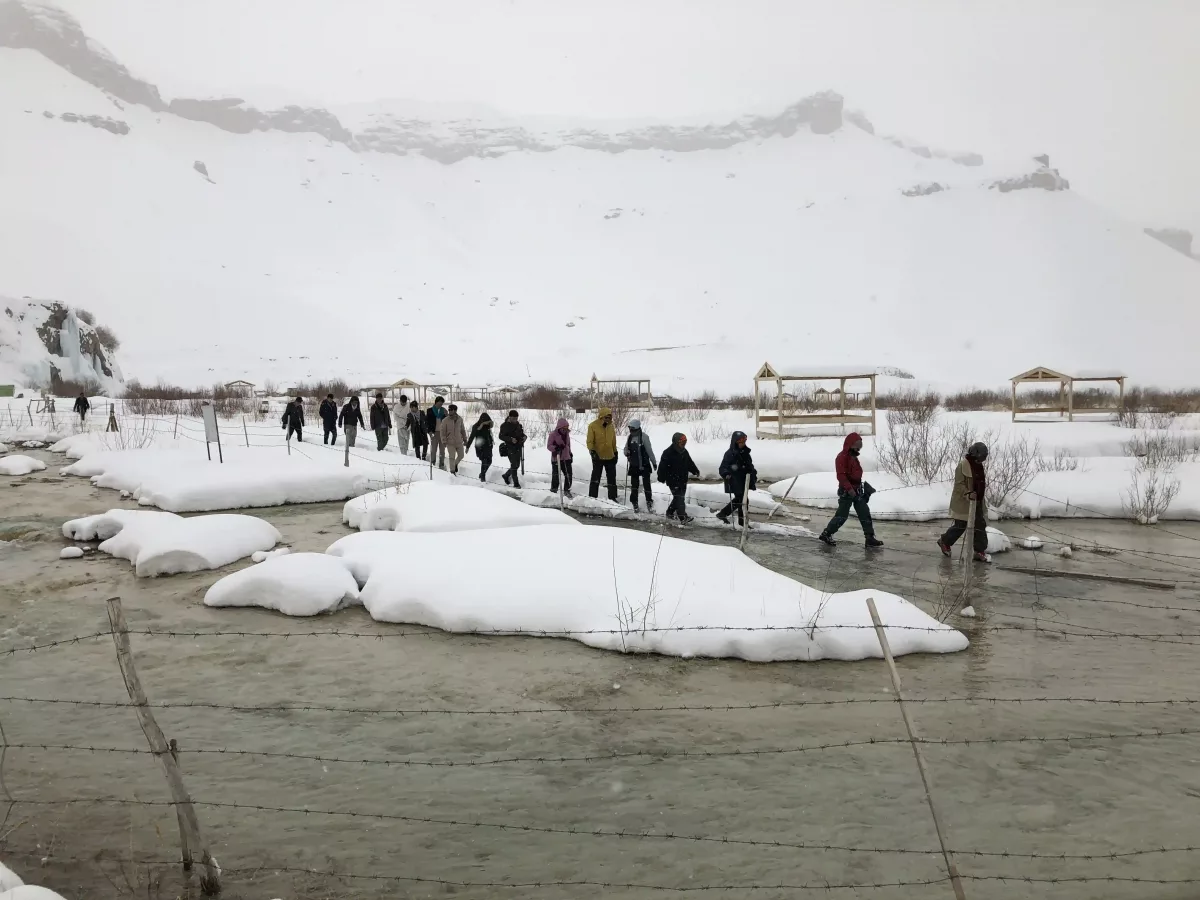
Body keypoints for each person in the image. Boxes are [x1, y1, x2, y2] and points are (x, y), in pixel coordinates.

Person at [818, 433, 883, 548]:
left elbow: (856, 474)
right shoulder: (841, 457)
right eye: (856, 446)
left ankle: (869, 538)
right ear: (850, 445)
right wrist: (850, 490)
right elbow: (841, 476)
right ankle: (826, 534)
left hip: (857, 490)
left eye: (860, 447)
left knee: (864, 512)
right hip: (846, 491)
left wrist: (863, 488)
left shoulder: (854, 458)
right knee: (842, 515)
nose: (858, 449)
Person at [939, 442, 991, 562]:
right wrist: (968, 493)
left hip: (977, 501)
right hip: (963, 501)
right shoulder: (963, 465)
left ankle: (979, 551)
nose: (983, 459)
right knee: (960, 526)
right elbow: (959, 484)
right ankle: (944, 541)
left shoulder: (979, 465)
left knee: (980, 526)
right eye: (982, 456)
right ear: (975, 454)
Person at [716, 431, 758, 525]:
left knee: (742, 500)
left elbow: (749, 465)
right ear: (735, 442)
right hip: (734, 480)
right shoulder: (730, 453)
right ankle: (741, 522)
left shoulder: (745, 452)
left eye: (744, 442)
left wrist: (753, 473)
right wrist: (726, 474)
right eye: (740, 442)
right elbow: (722, 467)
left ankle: (726, 515)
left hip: (744, 480)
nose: (743, 444)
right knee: (742, 500)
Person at [657, 432, 699, 523]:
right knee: (679, 498)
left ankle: (670, 512)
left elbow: (689, 463)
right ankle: (683, 517)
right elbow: (662, 467)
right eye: (682, 442)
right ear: (676, 442)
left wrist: (695, 470)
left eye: (685, 442)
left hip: (683, 479)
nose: (684, 444)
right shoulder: (668, 452)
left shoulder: (684, 451)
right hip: (672, 480)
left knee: (679, 498)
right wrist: (661, 477)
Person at [623, 419, 657, 512]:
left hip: (644, 465)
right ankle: (634, 503)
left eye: (632, 428)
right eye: (630, 428)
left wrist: (653, 462)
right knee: (634, 485)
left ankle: (649, 502)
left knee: (647, 485)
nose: (631, 430)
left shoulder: (644, 437)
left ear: (637, 428)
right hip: (634, 465)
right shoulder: (630, 437)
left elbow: (649, 451)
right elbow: (625, 448)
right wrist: (627, 452)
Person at [586, 407, 619, 501]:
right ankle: (592, 497)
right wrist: (592, 451)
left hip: (610, 456)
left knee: (612, 478)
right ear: (601, 417)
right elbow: (589, 441)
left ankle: (612, 497)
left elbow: (613, 441)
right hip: (598, 456)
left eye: (609, 417)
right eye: (606, 417)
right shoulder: (592, 426)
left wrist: (615, 452)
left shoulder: (611, 426)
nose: (607, 419)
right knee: (596, 478)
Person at [498, 409, 526, 488]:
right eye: (513, 419)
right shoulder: (504, 426)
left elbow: (521, 433)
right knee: (514, 465)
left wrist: (524, 437)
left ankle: (506, 475)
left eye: (516, 418)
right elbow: (501, 436)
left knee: (517, 465)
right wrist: (510, 439)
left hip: (518, 447)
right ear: (509, 417)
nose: (515, 420)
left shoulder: (518, 425)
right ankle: (516, 483)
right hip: (510, 448)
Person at [438, 403, 468, 474]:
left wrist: (465, 439)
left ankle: (455, 464)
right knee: (452, 457)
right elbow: (442, 432)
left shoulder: (460, 419)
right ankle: (452, 472)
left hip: (459, 442)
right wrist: (444, 441)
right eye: (449, 410)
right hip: (450, 442)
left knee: (461, 455)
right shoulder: (445, 420)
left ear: (455, 411)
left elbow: (462, 430)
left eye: (451, 410)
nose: (449, 411)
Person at [547, 417, 573, 496]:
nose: (565, 429)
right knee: (556, 476)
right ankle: (554, 491)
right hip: (557, 458)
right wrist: (556, 448)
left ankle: (567, 490)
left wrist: (570, 453)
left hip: (566, 457)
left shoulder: (567, 434)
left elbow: (568, 445)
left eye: (567, 427)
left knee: (568, 475)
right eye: (564, 427)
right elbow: (549, 446)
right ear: (559, 427)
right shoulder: (553, 435)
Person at [467, 412, 495, 481]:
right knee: (484, 460)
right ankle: (483, 478)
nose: (486, 423)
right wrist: (468, 446)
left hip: (488, 445)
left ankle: (482, 473)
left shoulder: (488, 426)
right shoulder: (476, 426)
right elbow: (471, 437)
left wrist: (491, 443)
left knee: (489, 461)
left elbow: (489, 435)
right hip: (480, 446)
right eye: (485, 422)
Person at [426, 396, 448, 469]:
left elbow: (448, 422)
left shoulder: (444, 411)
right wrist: (429, 432)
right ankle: (433, 463)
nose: (440, 405)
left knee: (442, 450)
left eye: (441, 404)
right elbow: (427, 422)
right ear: (436, 402)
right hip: (434, 433)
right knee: (433, 450)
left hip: (442, 433)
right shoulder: (430, 410)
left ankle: (441, 464)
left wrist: (446, 414)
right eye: (439, 403)